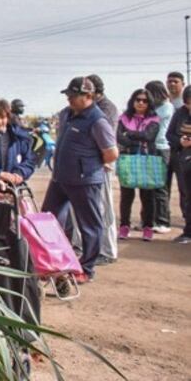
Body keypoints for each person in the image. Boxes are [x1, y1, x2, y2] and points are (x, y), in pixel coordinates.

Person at [43, 77, 118, 283]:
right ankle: (53, 262)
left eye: (74, 95)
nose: (70, 99)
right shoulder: (67, 114)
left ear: (89, 96)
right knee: (49, 219)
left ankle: (86, 268)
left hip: (85, 181)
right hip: (60, 178)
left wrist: (88, 165)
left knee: (90, 225)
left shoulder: (97, 120)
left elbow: (111, 153)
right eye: (68, 95)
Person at [116, 88, 161, 242]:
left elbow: (149, 136)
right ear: (133, 101)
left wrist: (129, 134)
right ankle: (124, 226)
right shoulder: (123, 118)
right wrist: (134, 137)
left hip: (147, 159)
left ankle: (148, 226)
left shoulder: (154, 119)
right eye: (138, 100)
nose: (141, 103)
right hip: (127, 159)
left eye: (145, 100)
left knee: (147, 196)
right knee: (126, 195)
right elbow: (119, 138)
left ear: (149, 103)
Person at [87, 73, 120, 264]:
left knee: (104, 209)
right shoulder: (91, 109)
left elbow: (106, 141)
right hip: (90, 165)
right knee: (93, 209)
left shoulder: (107, 109)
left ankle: (107, 251)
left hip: (103, 163)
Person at [146, 80, 174, 233]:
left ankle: (163, 221)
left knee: (160, 187)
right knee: (150, 186)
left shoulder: (166, 107)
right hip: (153, 148)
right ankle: (151, 220)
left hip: (161, 147)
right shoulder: (158, 108)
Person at [166, 85, 191, 243]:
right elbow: (169, 134)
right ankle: (188, 231)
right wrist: (181, 141)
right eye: (188, 102)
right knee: (187, 197)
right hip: (184, 160)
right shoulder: (180, 113)